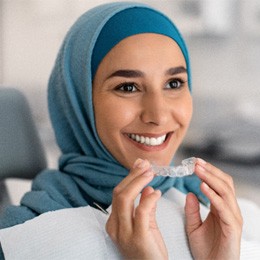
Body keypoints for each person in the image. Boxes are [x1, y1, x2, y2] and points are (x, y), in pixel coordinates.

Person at [0, 2, 247, 259]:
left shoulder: (220, 216)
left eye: (174, 83)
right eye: (128, 87)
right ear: (79, 100)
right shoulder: (24, 239)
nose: (158, 115)